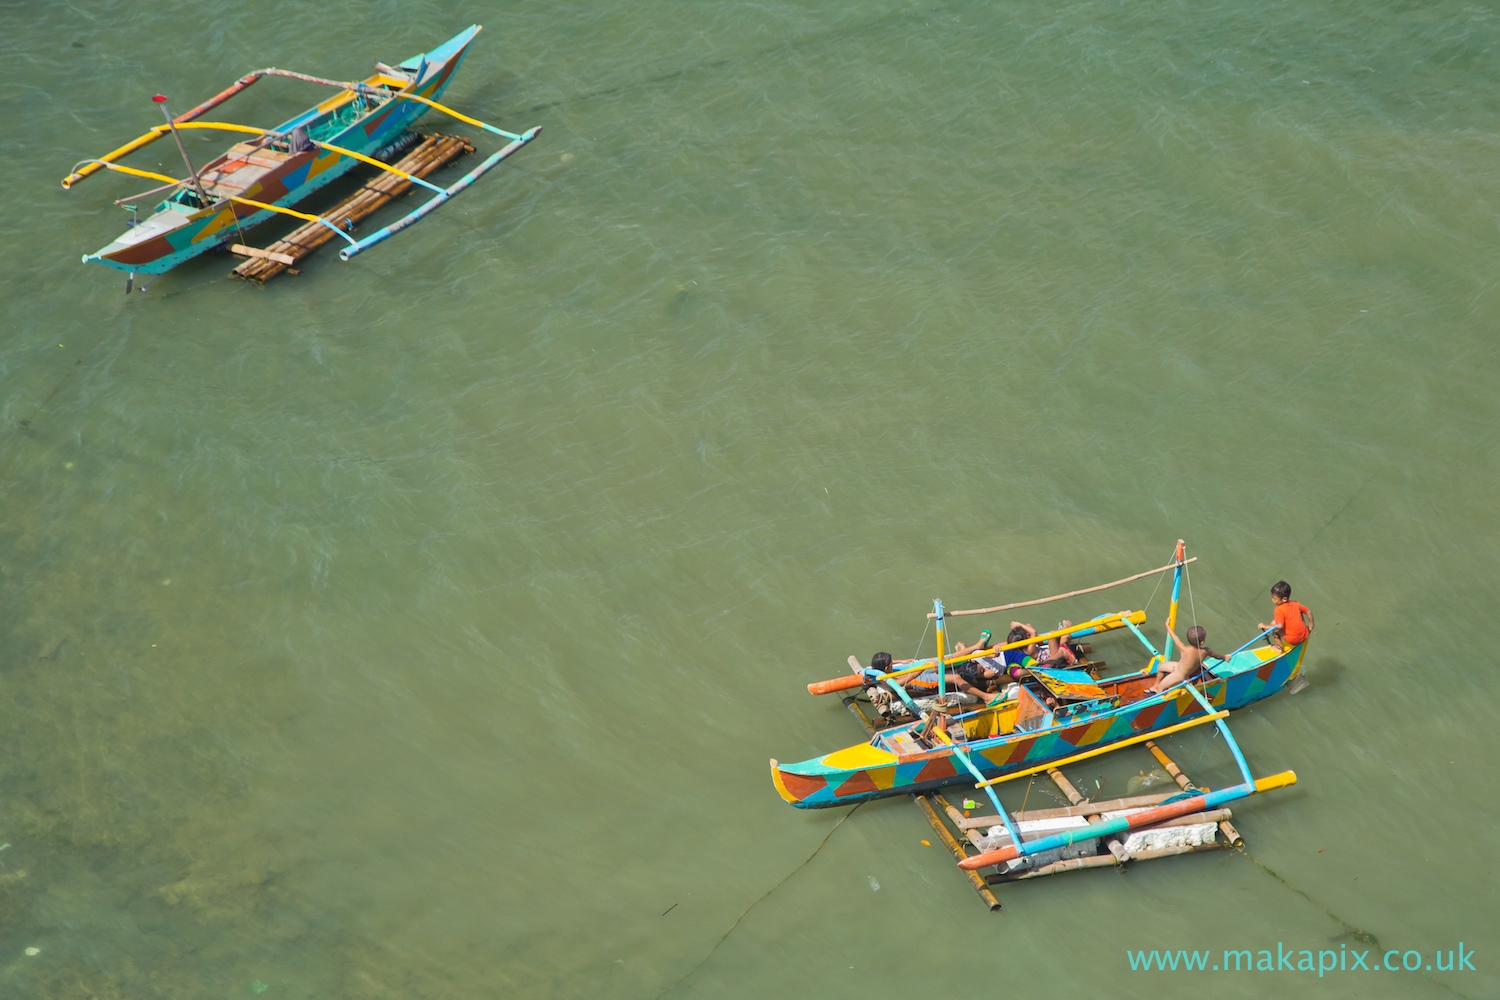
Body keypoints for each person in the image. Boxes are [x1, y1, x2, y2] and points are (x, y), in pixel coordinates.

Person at [1145, 624, 1229, 694]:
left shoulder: (1184, 649)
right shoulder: (1206, 651)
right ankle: (1155, 686)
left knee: (1161, 687)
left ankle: (1158, 697)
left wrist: (1167, 626)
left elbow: (1175, 637)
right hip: (1179, 668)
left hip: (1180, 675)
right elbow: (1217, 656)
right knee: (1160, 667)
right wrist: (1225, 657)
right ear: (1202, 642)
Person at [1258, 580, 1314, 651]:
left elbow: (1280, 626)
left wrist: (1265, 626)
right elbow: (1308, 611)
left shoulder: (1278, 609)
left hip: (1293, 641)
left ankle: (1280, 648)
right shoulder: (1295, 603)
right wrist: (1311, 625)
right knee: (1299, 613)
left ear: (1284, 599)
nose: (1272, 600)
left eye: (1274, 598)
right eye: (1272, 597)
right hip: (1305, 634)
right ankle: (1301, 634)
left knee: (1275, 629)